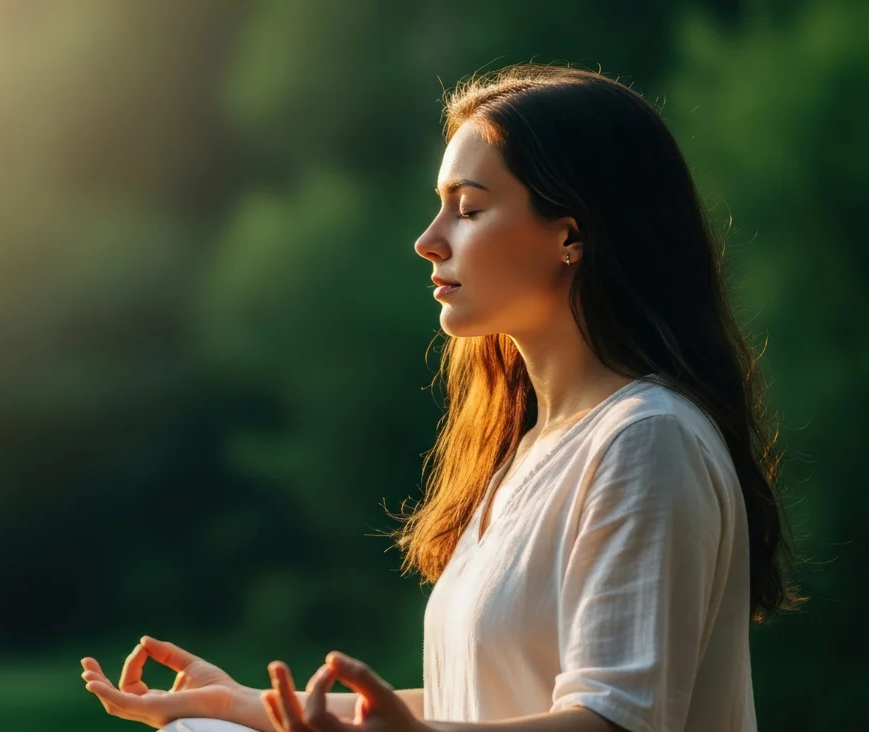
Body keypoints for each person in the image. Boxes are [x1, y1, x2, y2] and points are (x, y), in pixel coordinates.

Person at [79, 62, 798, 732]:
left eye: (469, 209)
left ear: (571, 236)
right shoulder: (528, 449)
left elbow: (613, 720)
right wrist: (249, 705)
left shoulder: (647, 439)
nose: (429, 240)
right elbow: (476, 704)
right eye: (439, 207)